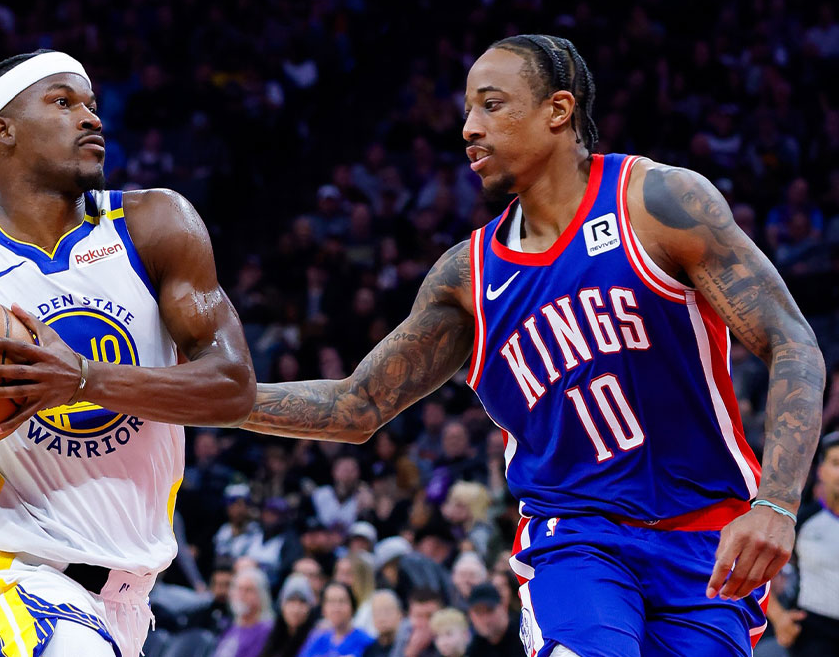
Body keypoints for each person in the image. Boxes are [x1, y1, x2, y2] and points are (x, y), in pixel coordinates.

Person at [241, 34, 824, 656]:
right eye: (467, 110)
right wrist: (195, 399)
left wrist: (779, 504)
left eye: (491, 105)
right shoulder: (469, 277)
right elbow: (355, 406)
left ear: (558, 110)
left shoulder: (656, 201)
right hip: (575, 536)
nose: (468, 128)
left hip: (708, 539)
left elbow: (792, 341)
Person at [0, 49, 254, 657]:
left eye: (92, 104)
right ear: (2, 132)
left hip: (128, 602)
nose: (90, 117)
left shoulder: (154, 224)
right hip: (17, 580)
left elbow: (232, 386)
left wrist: (86, 380)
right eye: (64, 103)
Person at [766, 430, 839, 655]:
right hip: (815, 632)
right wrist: (779, 617)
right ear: (821, 471)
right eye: (836, 463)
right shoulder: (801, 521)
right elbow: (757, 571)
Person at [300, 581, 375, 657]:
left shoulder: (365, 641)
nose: (336, 608)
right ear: (323, 609)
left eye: (342, 601)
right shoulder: (317, 637)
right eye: (331, 601)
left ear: (352, 607)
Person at [212, 567, 273, 657]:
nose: (241, 595)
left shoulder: (266, 630)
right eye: (238, 589)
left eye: (248, 590)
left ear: (261, 595)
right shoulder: (230, 628)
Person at [257, 574, 316, 657]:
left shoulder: (315, 637)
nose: (296, 609)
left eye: (302, 602)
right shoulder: (272, 635)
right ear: (282, 605)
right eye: (291, 601)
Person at [464, 583, 522, 657]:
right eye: (478, 613)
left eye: (490, 610)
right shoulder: (475, 648)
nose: (485, 619)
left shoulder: (524, 635)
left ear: (503, 606)